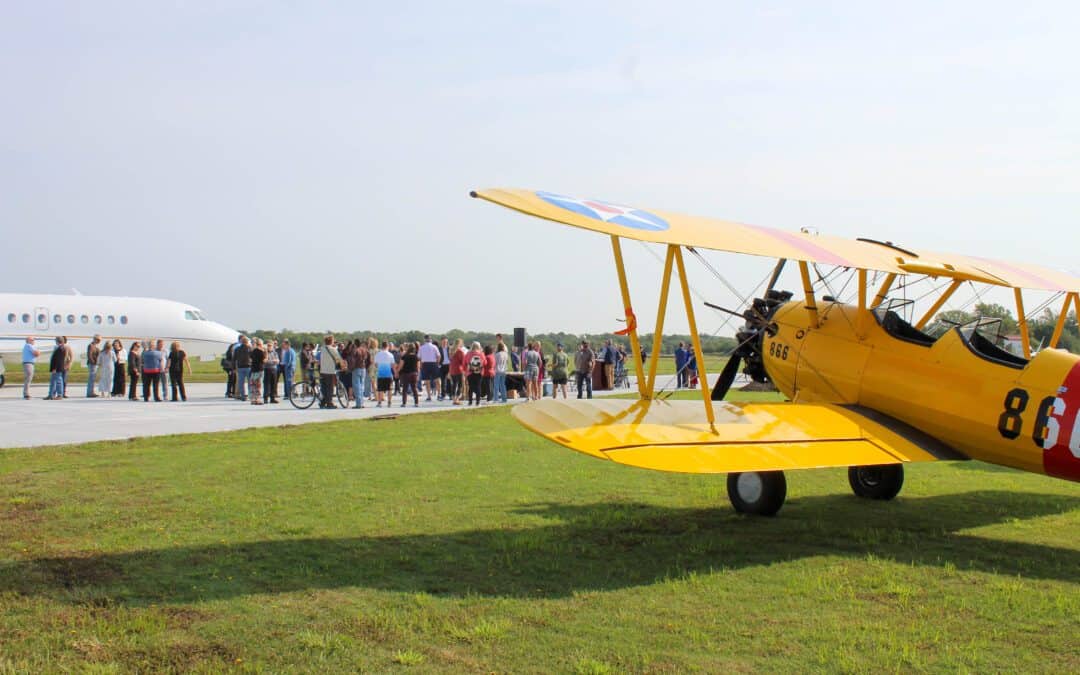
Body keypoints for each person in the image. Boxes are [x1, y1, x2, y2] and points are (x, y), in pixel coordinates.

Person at [318, 335, 344, 409]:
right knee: (330, 388)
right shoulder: (333, 349)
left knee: (324, 387)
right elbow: (338, 358)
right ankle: (329, 403)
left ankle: (323, 402)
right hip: (330, 371)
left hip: (322, 371)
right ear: (331, 341)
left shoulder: (322, 348)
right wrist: (343, 366)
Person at [396, 342, 420, 407]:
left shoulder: (404, 356)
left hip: (406, 373)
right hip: (414, 373)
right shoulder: (416, 356)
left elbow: (401, 365)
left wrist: (397, 371)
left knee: (405, 389)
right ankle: (416, 402)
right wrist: (418, 375)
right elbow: (418, 367)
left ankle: (404, 403)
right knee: (414, 388)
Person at [418, 336, 441, 401]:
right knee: (437, 380)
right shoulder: (434, 347)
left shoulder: (421, 347)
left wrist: (421, 363)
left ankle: (429, 396)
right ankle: (439, 395)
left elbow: (419, 357)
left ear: (424, 340)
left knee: (427, 381)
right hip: (433, 363)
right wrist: (437, 363)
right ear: (430, 340)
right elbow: (439, 356)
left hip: (425, 364)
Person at [348, 340, 370, 409]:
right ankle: (361, 403)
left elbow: (352, 361)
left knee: (357, 387)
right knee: (362, 387)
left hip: (356, 369)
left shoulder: (355, 351)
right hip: (363, 369)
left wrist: (350, 368)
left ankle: (358, 404)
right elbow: (369, 360)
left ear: (355, 344)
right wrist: (366, 366)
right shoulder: (365, 350)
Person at [374, 341, 395, 408]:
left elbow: (376, 365)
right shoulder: (390, 354)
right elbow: (392, 365)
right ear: (387, 346)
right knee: (389, 389)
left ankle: (379, 402)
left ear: (382, 346)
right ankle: (389, 402)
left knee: (380, 389)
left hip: (380, 374)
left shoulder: (378, 354)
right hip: (388, 374)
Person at [464, 342, 485, 406]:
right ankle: (477, 402)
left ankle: (470, 401)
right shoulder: (481, 354)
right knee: (478, 387)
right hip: (479, 372)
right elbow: (485, 363)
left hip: (470, 372)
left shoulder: (468, 354)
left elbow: (464, 362)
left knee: (471, 387)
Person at [234, 336, 252, 401]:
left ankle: (243, 396)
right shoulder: (250, 348)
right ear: (247, 342)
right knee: (250, 382)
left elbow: (234, 359)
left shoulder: (237, 349)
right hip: (248, 367)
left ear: (241, 342)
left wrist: (234, 368)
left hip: (240, 367)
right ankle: (250, 395)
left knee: (241, 383)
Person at [449, 338, 466, 405]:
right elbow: (463, 362)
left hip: (452, 369)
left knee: (454, 384)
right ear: (460, 343)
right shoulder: (460, 351)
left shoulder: (451, 350)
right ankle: (457, 399)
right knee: (460, 385)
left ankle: (453, 399)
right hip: (459, 369)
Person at [249, 338, 266, 405]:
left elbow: (250, 359)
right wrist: (265, 353)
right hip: (259, 370)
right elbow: (264, 360)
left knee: (253, 385)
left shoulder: (252, 351)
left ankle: (253, 399)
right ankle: (257, 399)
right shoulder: (261, 351)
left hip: (253, 369)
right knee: (258, 385)